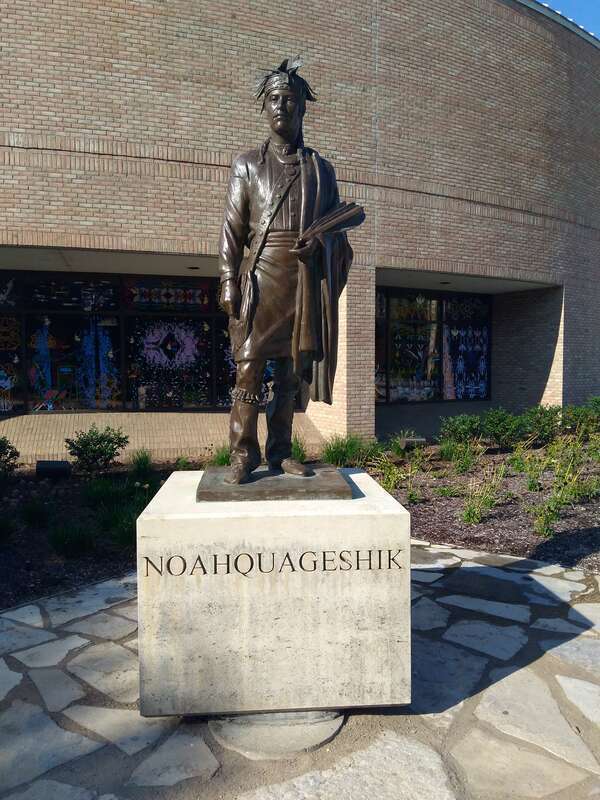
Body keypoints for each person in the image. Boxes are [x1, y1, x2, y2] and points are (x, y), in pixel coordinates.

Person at [218, 58, 357, 484]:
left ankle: (280, 453)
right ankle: (243, 455)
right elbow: (232, 230)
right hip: (261, 278)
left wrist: (322, 244)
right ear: (265, 107)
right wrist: (228, 280)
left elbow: (337, 230)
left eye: (290, 100)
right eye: (275, 99)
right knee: (249, 371)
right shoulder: (247, 164)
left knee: (289, 375)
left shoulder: (321, 170)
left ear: (302, 108)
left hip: (303, 281)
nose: (282, 106)